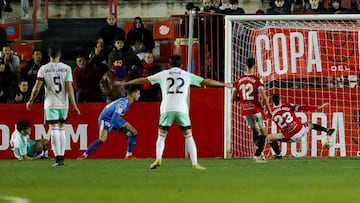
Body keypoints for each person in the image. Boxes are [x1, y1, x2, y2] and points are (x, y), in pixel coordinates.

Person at [115, 55, 232, 170]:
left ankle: (158, 159)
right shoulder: (186, 75)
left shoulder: (163, 74)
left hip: (166, 109)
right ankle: (195, 164)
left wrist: (126, 83)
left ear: (168, 65)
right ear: (181, 65)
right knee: (189, 136)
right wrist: (224, 84)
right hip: (181, 109)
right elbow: (205, 81)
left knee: (161, 136)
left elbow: (144, 79)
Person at [26, 45, 81, 166]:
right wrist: (74, 105)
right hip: (64, 103)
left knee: (54, 130)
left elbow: (36, 88)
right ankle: (61, 158)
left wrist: (31, 100)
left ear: (49, 55)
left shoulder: (43, 69)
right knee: (61, 129)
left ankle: (58, 158)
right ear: (60, 55)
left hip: (50, 104)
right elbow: (69, 87)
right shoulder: (66, 68)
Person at [232, 57, 278, 162]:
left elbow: (233, 98)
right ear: (254, 66)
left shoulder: (238, 80)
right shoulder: (257, 80)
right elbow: (264, 97)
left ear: (245, 66)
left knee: (255, 131)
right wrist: (270, 111)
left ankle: (260, 153)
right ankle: (257, 156)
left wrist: (243, 99)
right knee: (264, 133)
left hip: (245, 110)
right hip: (256, 110)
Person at [77, 85, 140, 160]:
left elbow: (115, 118)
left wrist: (126, 131)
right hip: (106, 119)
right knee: (102, 139)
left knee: (134, 132)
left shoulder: (126, 102)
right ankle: (84, 155)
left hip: (114, 117)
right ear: (133, 95)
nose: (139, 95)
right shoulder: (123, 104)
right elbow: (114, 120)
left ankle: (129, 155)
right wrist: (125, 131)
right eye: (138, 93)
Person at [269, 93, 336, 146]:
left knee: (270, 138)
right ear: (281, 99)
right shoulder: (289, 106)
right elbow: (303, 107)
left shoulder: (270, 113)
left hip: (290, 138)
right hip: (301, 130)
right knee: (310, 125)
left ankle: (278, 155)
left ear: (272, 102)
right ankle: (327, 130)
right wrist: (319, 107)